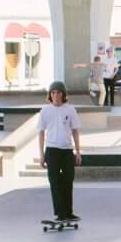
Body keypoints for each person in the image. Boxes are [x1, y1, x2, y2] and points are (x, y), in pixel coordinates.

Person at [37, 80, 83, 227]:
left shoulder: (70, 110)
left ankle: (68, 212)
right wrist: (41, 154)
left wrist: (78, 152)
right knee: (55, 182)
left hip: (67, 150)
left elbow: (75, 131)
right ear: (50, 95)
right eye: (53, 93)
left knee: (68, 180)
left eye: (58, 92)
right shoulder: (45, 111)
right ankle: (60, 213)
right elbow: (41, 133)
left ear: (63, 94)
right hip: (52, 150)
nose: (56, 95)